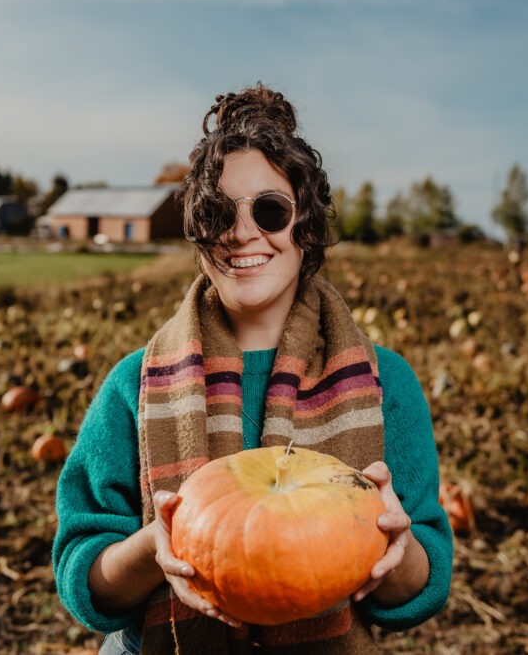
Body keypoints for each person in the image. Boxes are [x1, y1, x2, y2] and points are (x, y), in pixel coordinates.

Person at [52, 83, 452, 654]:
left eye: (270, 210)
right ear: (198, 233)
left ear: (306, 227)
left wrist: (395, 544)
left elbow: (425, 584)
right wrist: (155, 548)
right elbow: (82, 578)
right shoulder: (134, 385)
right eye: (218, 213)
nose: (242, 233)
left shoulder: (386, 385)